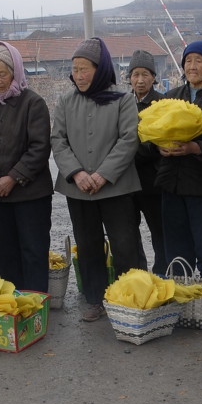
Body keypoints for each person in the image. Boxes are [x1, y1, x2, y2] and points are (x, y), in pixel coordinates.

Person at [51, 37, 143, 322]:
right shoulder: (66, 101)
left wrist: (103, 174)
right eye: (75, 69)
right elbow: (58, 139)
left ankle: (131, 298)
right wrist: (77, 173)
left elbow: (129, 139)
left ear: (100, 69)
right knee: (88, 245)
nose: (78, 75)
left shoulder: (123, 99)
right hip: (79, 189)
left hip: (116, 186)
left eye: (84, 69)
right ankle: (97, 299)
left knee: (125, 244)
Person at [0, 41, 52, 294]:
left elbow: (39, 148)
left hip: (30, 195)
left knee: (33, 251)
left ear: (15, 72)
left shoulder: (33, 103)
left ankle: (36, 305)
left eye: (2, 74)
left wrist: (12, 178)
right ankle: (14, 303)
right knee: (6, 251)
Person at [156, 40, 202, 280]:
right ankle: (182, 300)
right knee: (177, 247)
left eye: (198, 60)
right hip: (172, 183)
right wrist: (159, 145)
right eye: (188, 61)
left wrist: (195, 147)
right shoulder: (171, 97)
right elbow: (152, 129)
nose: (192, 66)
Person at [127, 49, 165, 274]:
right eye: (135, 75)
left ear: (153, 77)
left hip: (154, 182)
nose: (139, 80)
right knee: (129, 234)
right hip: (127, 182)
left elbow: (158, 142)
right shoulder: (122, 103)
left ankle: (161, 275)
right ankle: (138, 276)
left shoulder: (162, 103)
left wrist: (127, 152)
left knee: (160, 233)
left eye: (145, 75)